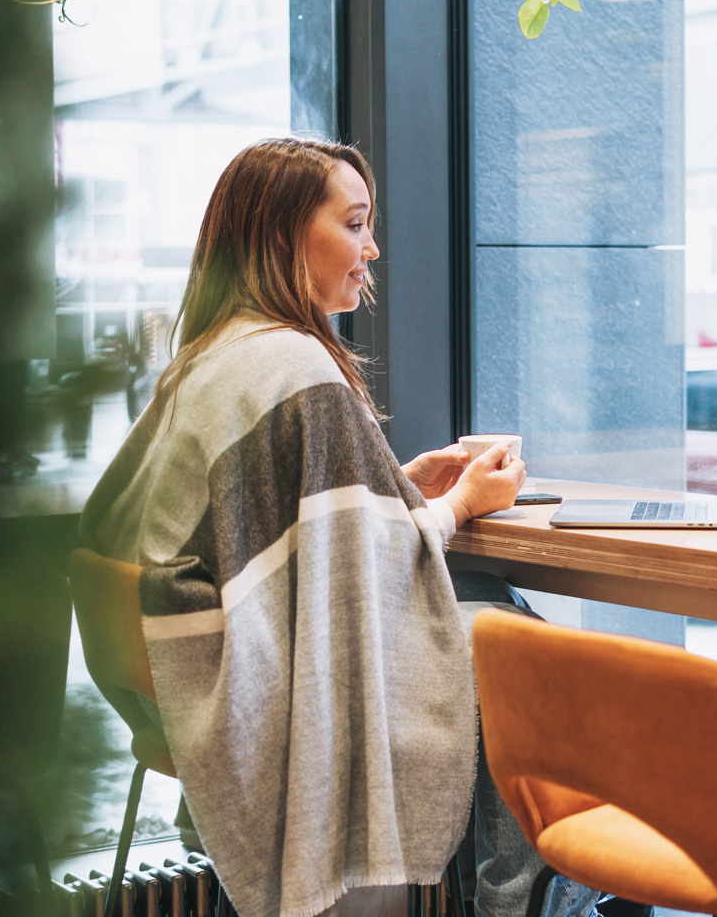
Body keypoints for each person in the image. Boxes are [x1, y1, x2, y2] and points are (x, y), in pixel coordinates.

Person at [79, 136, 593, 917]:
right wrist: (461, 505)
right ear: (286, 238)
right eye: (354, 224)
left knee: (492, 610)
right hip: (258, 683)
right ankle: (527, 905)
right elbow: (351, 577)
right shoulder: (297, 368)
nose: (372, 246)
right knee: (530, 657)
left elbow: (299, 542)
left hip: (184, 673)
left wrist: (395, 489)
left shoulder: (214, 356)